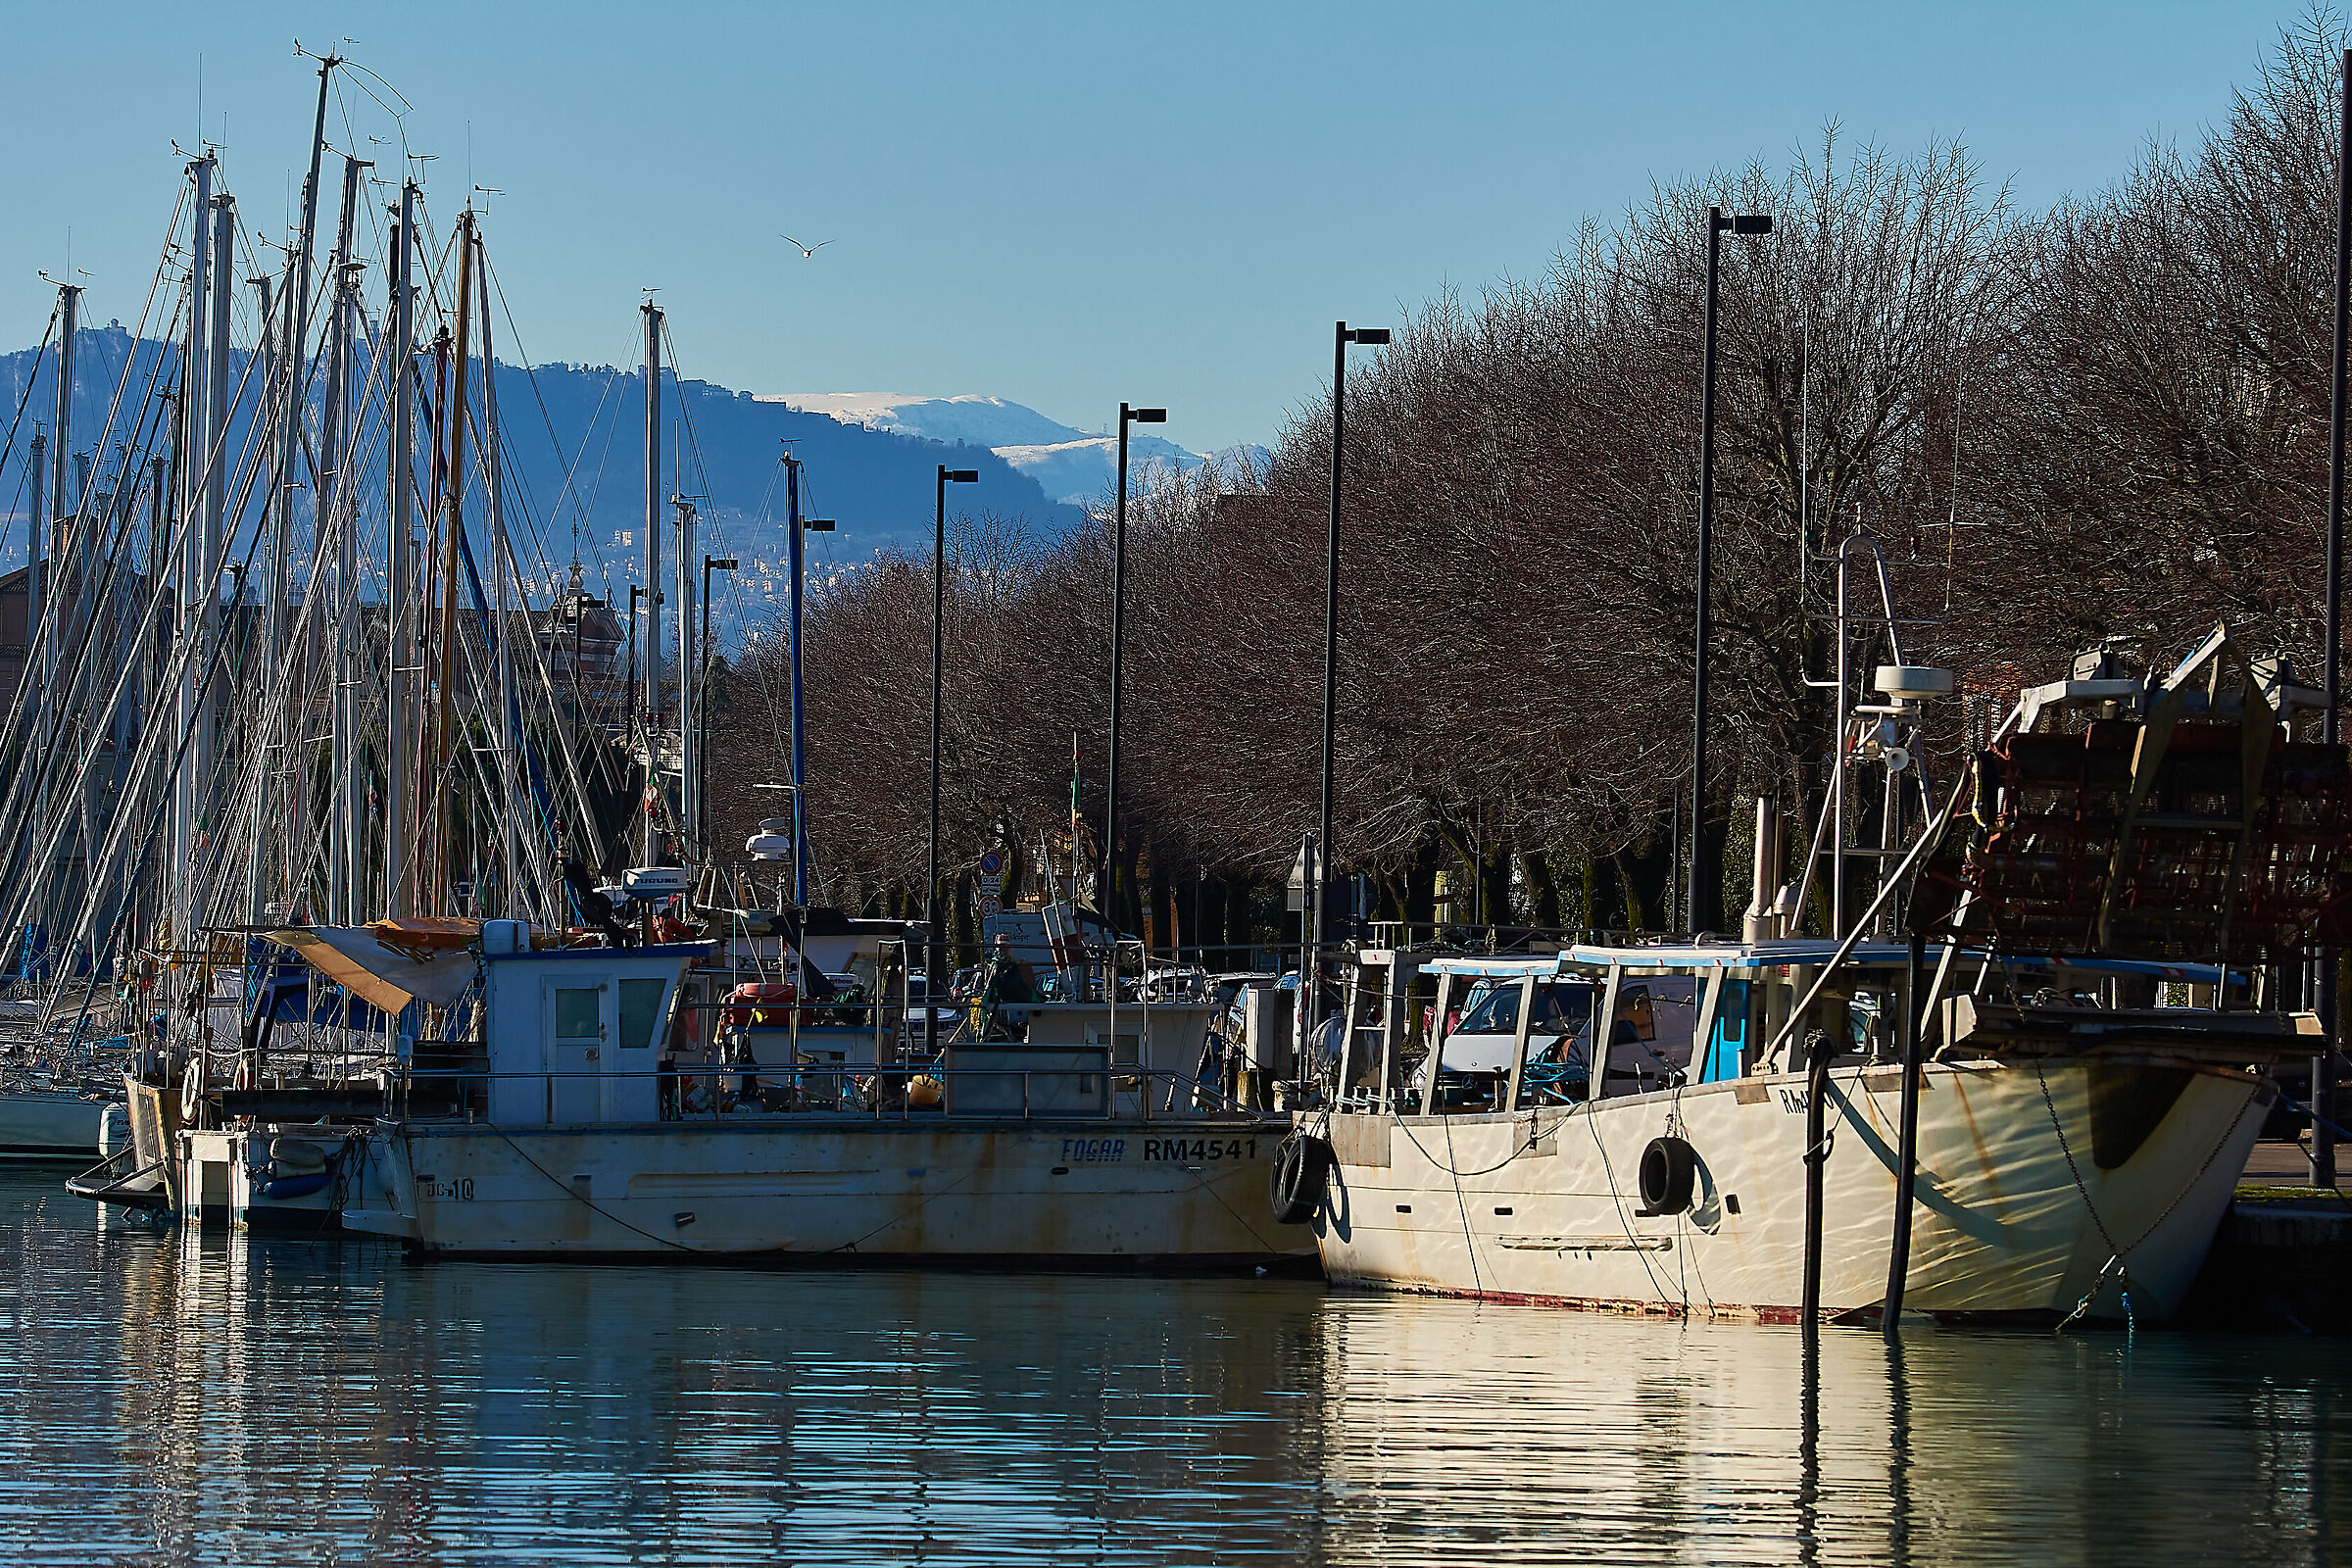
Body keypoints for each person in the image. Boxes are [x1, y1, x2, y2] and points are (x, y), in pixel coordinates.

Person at [979, 932, 1040, 1039]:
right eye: (1001, 945)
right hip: (1000, 999)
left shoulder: (1015, 964)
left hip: (1002, 1000)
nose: (1003, 948)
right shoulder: (995, 965)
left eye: (1006, 945)